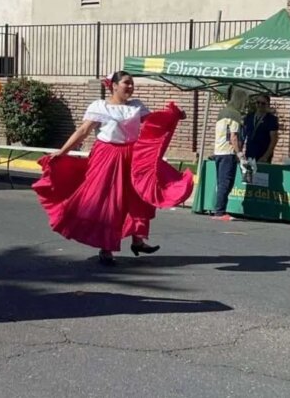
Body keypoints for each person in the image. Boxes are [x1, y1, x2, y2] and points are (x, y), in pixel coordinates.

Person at [33, 71, 193, 266]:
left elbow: (155, 123)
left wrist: (174, 116)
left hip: (132, 155)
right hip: (107, 156)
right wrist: (63, 151)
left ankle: (138, 240)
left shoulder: (137, 106)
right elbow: (83, 130)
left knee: (138, 195)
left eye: (132, 83)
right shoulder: (100, 106)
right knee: (110, 202)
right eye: (127, 83)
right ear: (114, 86)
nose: (131, 87)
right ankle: (106, 249)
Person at [212, 88, 248, 221]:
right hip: (228, 152)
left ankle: (219, 210)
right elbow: (233, 136)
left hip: (218, 151)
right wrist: (239, 154)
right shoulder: (234, 114)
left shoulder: (222, 112)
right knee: (226, 182)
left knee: (221, 181)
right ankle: (220, 212)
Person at [243, 94, 279, 163]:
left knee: (262, 174)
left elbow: (274, 140)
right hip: (249, 154)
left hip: (263, 155)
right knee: (249, 173)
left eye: (263, 103)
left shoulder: (272, 119)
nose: (260, 105)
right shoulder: (249, 117)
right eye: (258, 102)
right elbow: (243, 135)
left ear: (268, 104)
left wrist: (265, 156)